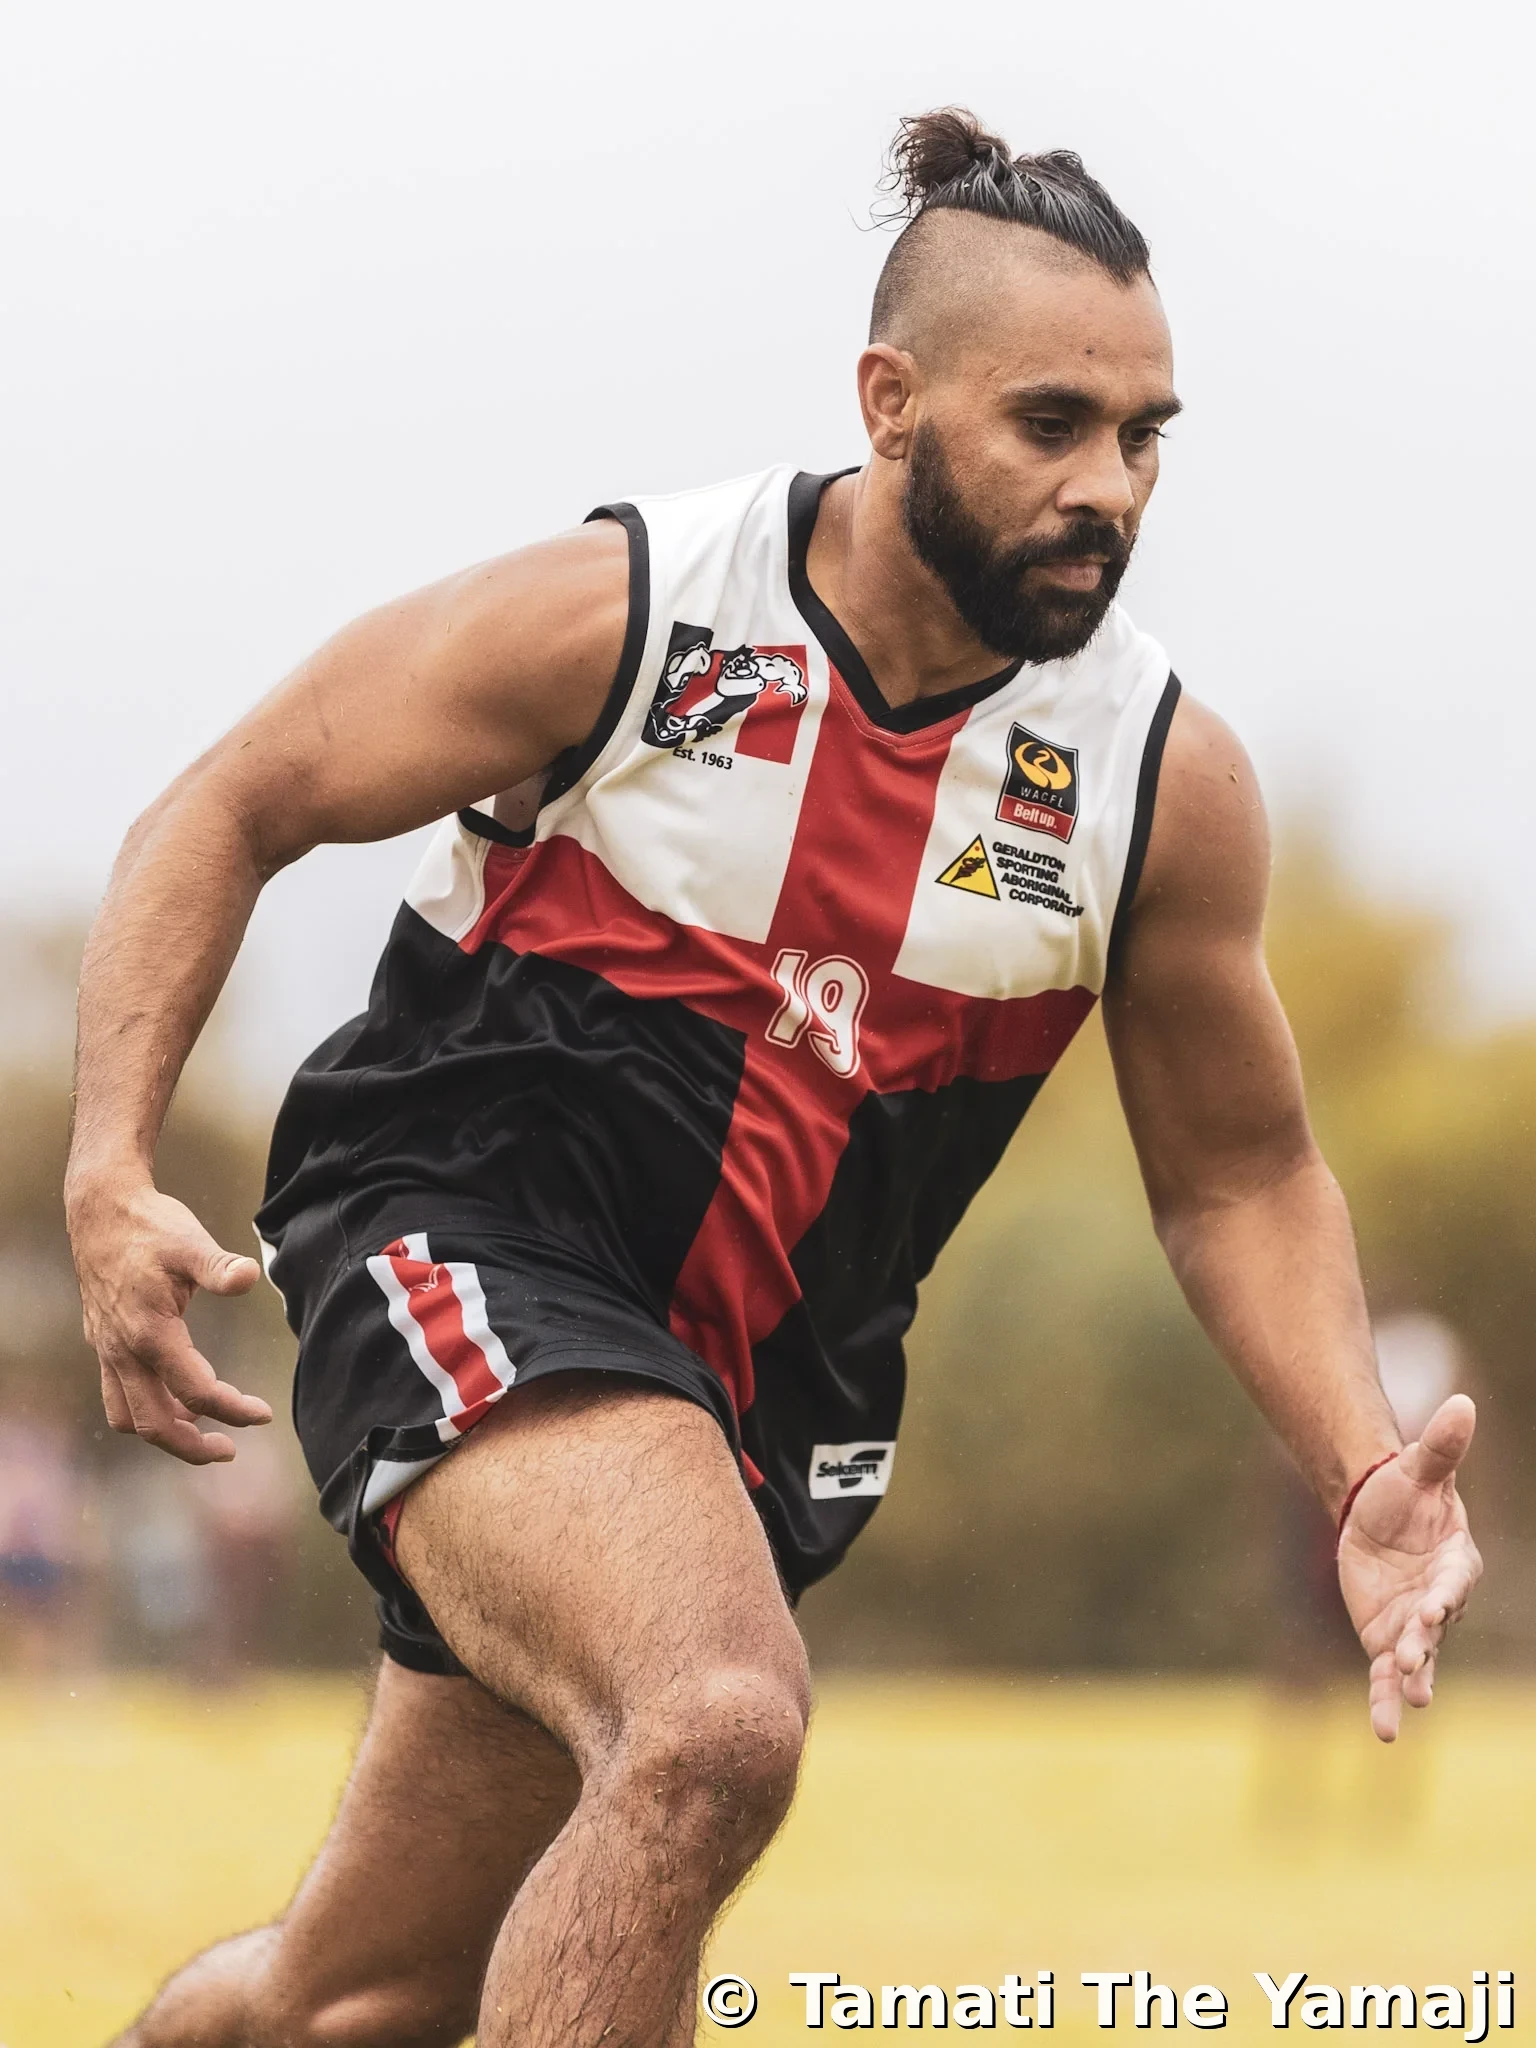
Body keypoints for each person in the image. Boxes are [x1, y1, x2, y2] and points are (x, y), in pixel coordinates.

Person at [64, 108, 1482, 2048]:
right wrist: (107, 1164)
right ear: (890, 401)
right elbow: (232, 800)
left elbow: (1238, 1175)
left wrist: (1357, 1463)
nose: (1112, 486)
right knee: (717, 1721)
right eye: (1052, 424)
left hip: (741, 1396)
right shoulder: (635, 616)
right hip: (459, 1235)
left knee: (362, 1992)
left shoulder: (1157, 778)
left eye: (1147, 436)